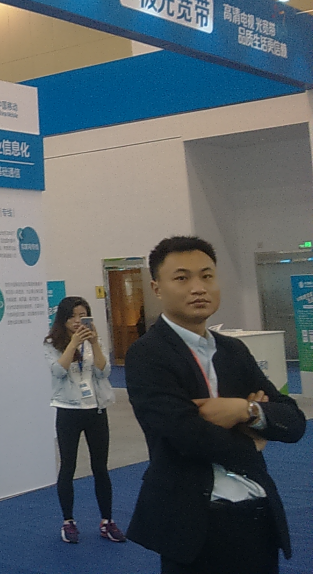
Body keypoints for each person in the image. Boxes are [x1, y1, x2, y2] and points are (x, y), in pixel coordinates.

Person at [126, 236, 307, 574]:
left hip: (257, 516)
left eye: (207, 276)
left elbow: (293, 422)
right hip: (195, 524)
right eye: (182, 278)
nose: (198, 288)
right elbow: (187, 436)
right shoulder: (148, 354)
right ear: (157, 288)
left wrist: (245, 411)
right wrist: (254, 440)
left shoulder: (233, 351)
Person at [44, 296, 124, 544]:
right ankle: (68, 521)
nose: (78, 321)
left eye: (82, 315)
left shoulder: (93, 341)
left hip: (96, 409)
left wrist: (94, 343)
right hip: (68, 410)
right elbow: (58, 371)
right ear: (63, 319)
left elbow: (103, 371)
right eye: (72, 316)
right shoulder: (52, 343)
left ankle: (107, 521)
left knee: (100, 467)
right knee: (68, 466)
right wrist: (73, 344)